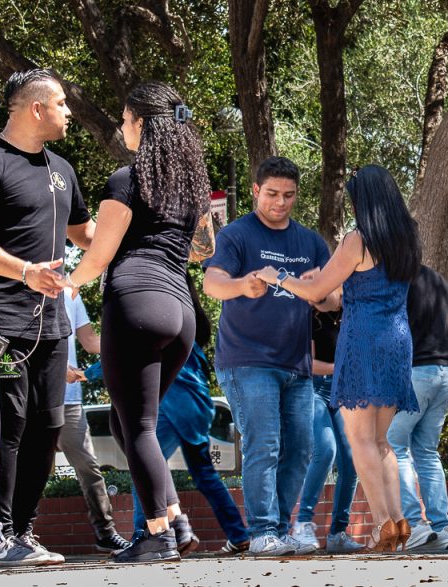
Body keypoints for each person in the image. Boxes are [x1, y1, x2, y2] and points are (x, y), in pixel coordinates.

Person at [66, 81, 215, 563]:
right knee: (125, 421)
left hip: (135, 304)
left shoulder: (125, 180)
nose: (121, 126)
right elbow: (203, 250)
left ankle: (155, 537)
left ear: (143, 125)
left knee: (141, 425)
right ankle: (177, 521)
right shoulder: (189, 190)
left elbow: (100, 254)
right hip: (180, 314)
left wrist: (67, 284)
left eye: (126, 118)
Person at [0, 68, 95, 567]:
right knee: (8, 425)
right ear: (36, 108)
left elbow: (86, 235)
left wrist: (147, 243)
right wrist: (25, 272)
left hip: (52, 323)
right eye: (61, 102)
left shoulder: (63, 168)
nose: (68, 111)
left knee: (48, 426)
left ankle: (23, 532)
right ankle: (0, 536)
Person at [256, 164, 421, 553]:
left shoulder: (357, 240)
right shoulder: (408, 239)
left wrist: (276, 276)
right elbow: (353, 293)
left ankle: (381, 523)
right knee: (382, 441)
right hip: (398, 340)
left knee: (359, 438)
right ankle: (398, 521)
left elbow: (316, 293)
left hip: (363, 341)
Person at [202, 156, 336, 557]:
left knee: (301, 448)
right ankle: (261, 531)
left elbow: (331, 299)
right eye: (273, 194)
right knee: (265, 445)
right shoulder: (237, 235)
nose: (281, 202)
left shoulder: (310, 242)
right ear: (257, 190)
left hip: (296, 365)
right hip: (246, 360)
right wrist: (242, 284)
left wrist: (320, 289)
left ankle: (278, 528)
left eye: (289, 195)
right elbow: (212, 283)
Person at [127, 276, 252, 555]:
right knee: (205, 475)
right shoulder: (190, 325)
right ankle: (237, 533)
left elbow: (130, 355)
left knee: (143, 464)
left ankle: (146, 534)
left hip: (175, 407)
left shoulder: (162, 323)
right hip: (199, 408)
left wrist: (87, 373)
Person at [387, 265, 448, 551]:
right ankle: (443, 529)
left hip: (417, 372)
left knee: (395, 444)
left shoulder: (400, 281)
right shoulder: (440, 280)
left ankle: (416, 525)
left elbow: (394, 329)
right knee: (427, 452)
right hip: (445, 373)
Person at [58, 290, 131, 554]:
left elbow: (90, 341)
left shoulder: (70, 294)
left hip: (70, 401)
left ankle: (106, 533)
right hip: (35, 399)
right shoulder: (23, 284)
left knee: (88, 466)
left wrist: (127, 341)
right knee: (27, 469)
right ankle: (17, 534)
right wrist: (54, 369)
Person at [291, 310, 365, 554]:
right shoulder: (309, 316)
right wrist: (339, 368)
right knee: (326, 449)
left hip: (341, 393)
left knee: (352, 460)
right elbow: (308, 363)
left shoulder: (350, 315)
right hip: (313, 389)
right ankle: (302, 523)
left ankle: (338, 534)